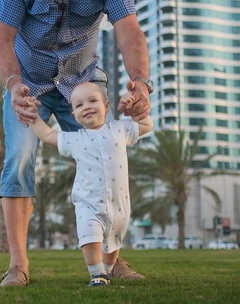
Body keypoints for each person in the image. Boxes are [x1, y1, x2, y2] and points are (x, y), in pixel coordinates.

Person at [0, 0, 152, 287]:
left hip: (83, 86)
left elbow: (129, 29)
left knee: (110, 156)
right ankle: (18, 265)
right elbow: (2, 38)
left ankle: (112, 260)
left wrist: (141, 84)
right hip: (29, 85)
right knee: (18, 159)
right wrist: (13, 85)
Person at [27, 82, 153, 286]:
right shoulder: (74, 139)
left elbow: (147, 126)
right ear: (74, 114)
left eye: (92, 101)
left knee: (113, 245)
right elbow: (48, 134)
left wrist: (136, 112)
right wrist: (33, 116)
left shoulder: (119, 129)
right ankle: (97, 274)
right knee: (90, 239)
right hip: (88, 203)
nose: (86, 106)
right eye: (78, 105)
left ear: (106, 104)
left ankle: (108, 270)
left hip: (119, 204)